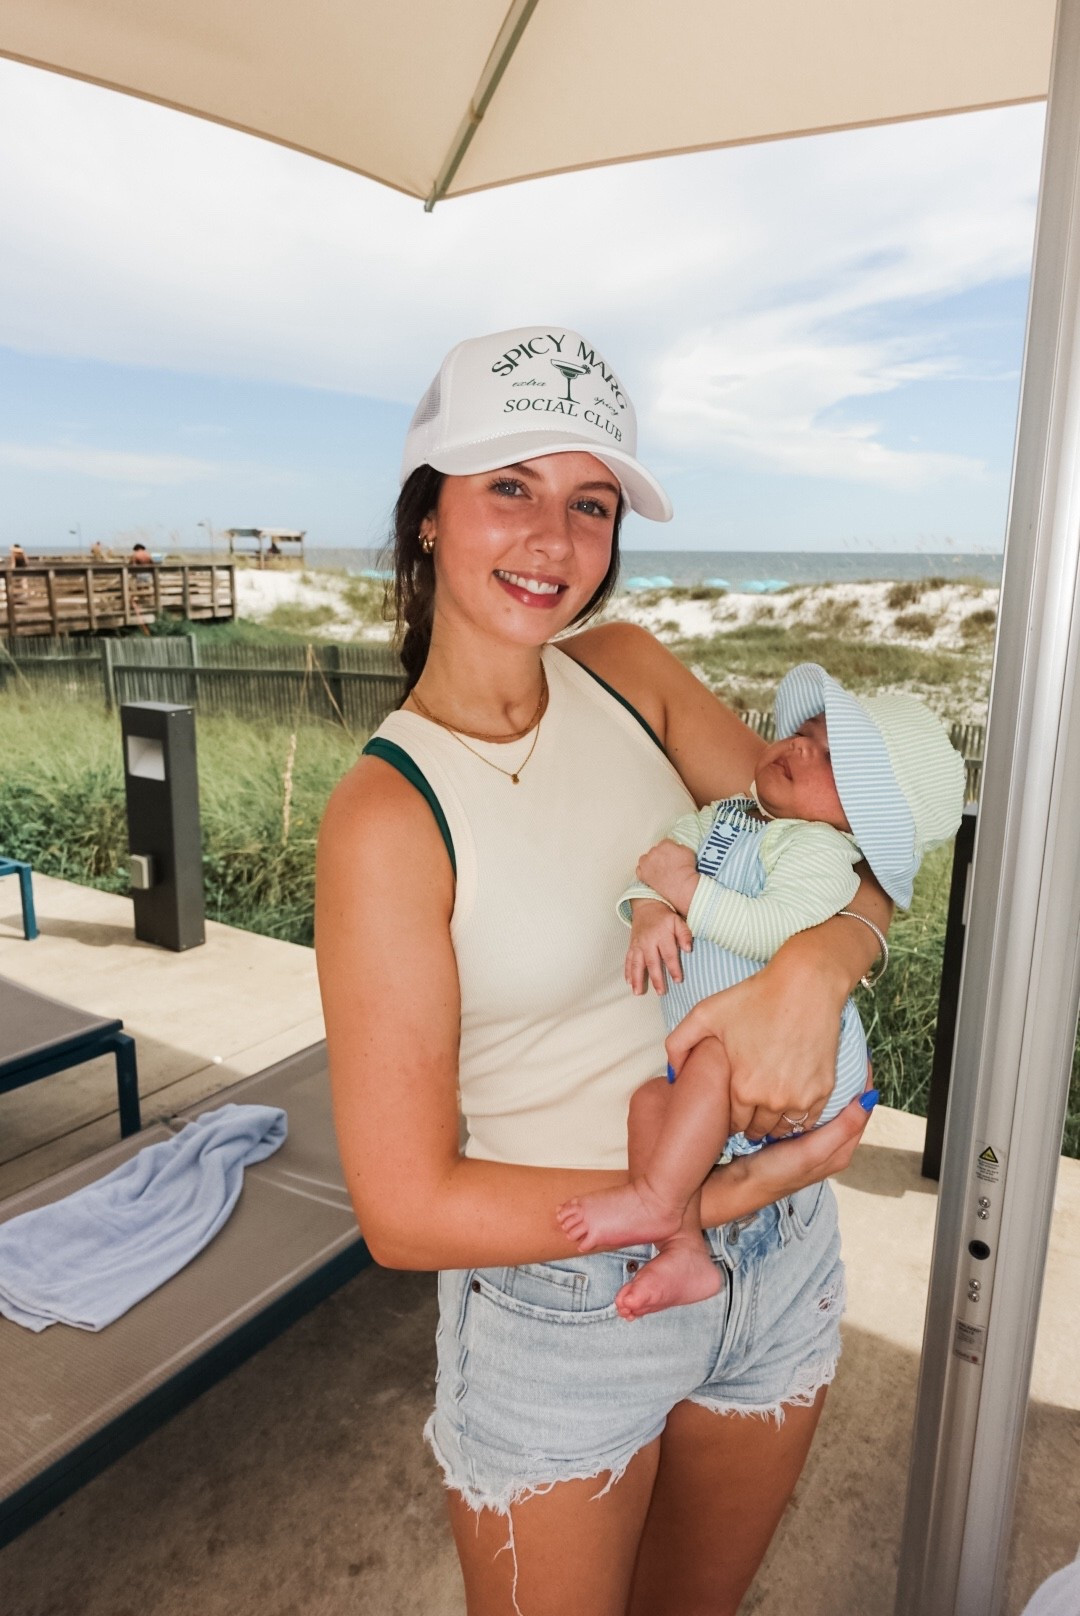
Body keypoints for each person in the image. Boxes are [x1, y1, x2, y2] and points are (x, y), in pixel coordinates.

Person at [316, 325, 889, 1616]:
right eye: (508, 487)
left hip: (784, 1255)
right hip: (571, 1297)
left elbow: (852, 845)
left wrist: (824, 967)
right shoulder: (387, 812)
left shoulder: (628, 676)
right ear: (426, 518)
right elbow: (404, 1208)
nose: (555, 544)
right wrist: (710, 1204)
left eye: (590, 504)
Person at [557, 665, 964, 1319]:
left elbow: (770, 930)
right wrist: (651, 910)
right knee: (647, 1105)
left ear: (864, 821)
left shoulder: (820, 854)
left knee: (714, 1060)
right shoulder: (728, 816)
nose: (801, 746)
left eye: (833, 758)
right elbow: (664, 863)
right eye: (805, 732)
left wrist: (685, 892)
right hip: (730, 1052)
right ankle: (684, 1248)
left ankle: (659, 1202)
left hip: (798, 1059)